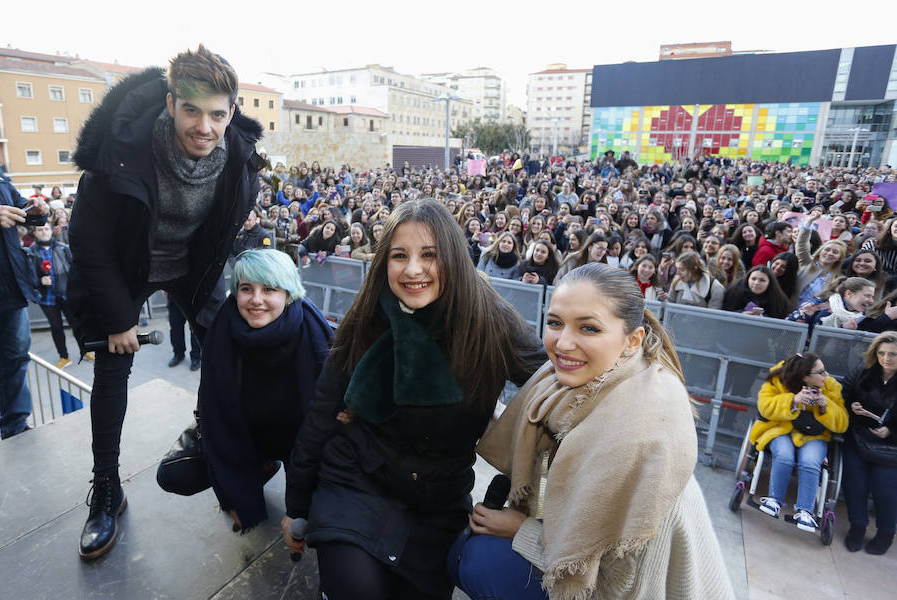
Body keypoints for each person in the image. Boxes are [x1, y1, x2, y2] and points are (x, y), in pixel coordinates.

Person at [282, 199, 545, 600]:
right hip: (358, 482)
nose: (412, 270)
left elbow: (557, 388)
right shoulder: (370, 311)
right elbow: (323, 410)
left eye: (429, 255)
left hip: (439, 501)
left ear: (454, 259)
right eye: (399, 255)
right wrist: (297, 504)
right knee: (357, 588)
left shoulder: (490, 320)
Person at [67, 46, 264, 560]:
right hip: (128, 265)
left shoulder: (239, 161)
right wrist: (117, 318)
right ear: (172, 103)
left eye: (218, 114)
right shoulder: (121, 150)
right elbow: (87, 241)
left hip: (191, 265)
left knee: (231, 350)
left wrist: (216, 298)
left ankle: (217, 443)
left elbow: (221, 236)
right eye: (193, 111)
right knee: (113, 366)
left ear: (232, 112)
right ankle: (106, 488)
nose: (205, 126)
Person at [451, 263, 734, 600]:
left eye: (588, 328)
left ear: (632, 341)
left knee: (474, 558)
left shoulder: (637, 437)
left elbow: (616, 584)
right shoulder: (573, 386)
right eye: (555, 323)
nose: (563, 343)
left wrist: (520, 530)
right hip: (580, 555)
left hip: (629, 588)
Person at [156, 249, 332, 531]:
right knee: (174, 474)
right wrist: (235, 495)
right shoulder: (222, 331)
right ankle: (262, 467)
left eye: (269, 289)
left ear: (288, 293)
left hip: (300, 439)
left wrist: (300, 501)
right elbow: (214, 415)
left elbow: (329, 418)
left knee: (317, 517)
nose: (256, 300)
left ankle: (282, 469)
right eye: (246, 289)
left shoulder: (313, 331)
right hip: (248, 435)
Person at [749, 353, 848, 531]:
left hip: (815, 435)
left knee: (810, 462)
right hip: (780, 428)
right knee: (784, 455)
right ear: (805, 376)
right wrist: (792, 401)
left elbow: (842, 423)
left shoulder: (831, 387)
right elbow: (764, 406)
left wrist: (826, 406)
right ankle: (774, 500)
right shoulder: (778, 378)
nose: (826, 376)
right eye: (821, 372)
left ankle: (805, 511)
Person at [0, 165, 48, 440]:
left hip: (9, 289)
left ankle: (15, 426)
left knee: (16, 358)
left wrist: (38, 211)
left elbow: (21, 209)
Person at [840, 332, 897, 555]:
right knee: (855, 484)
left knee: (885, 489)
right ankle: (857, 527)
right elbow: (842, 396)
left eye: (893, 354)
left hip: (891, 448)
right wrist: (851, 406)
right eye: (881, 353)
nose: (886, 358)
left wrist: (890, 431)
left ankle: (885, 534)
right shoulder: (862, 372)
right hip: (859, 437)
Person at [722, 266, 792, 319]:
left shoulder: (779, 300)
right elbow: (723, 315)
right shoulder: (734, 292)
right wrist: (740, 314)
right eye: (753, 279)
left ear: (770, 283)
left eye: (762, 280)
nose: (756, 283)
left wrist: (765, 319)